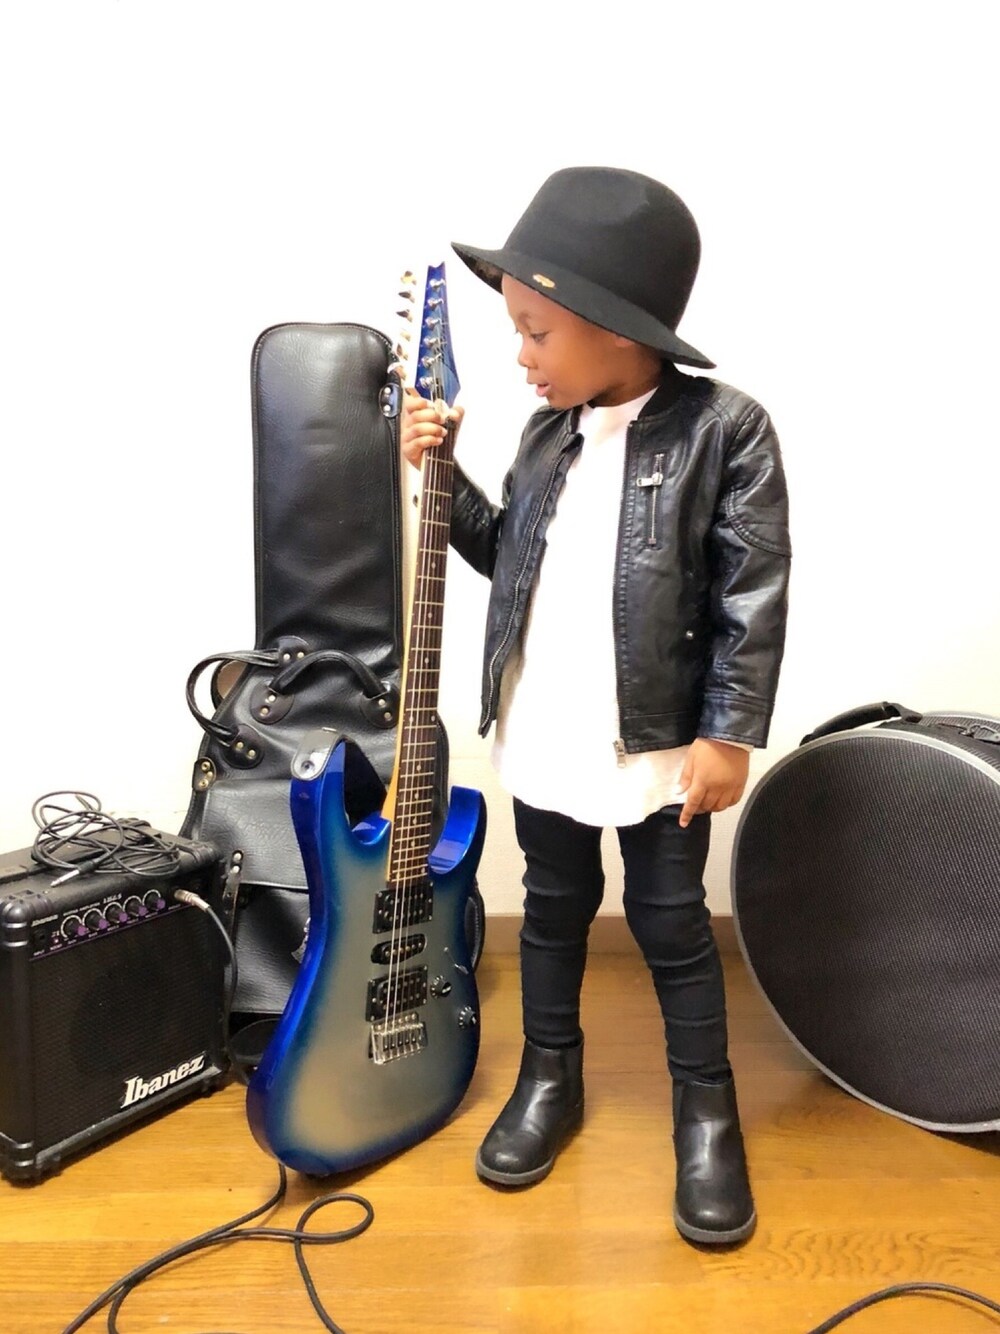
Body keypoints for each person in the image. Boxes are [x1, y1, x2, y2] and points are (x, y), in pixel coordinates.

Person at [401, 166, 791, 1246]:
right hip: (547, 724)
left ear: (615, 327)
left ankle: (705, 1110)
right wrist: (445, 476)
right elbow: (508, 554)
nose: (521, 356)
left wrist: (728, 731)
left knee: (671, 923)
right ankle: (549, 1075)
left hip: (656, 743)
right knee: (553, 906)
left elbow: (751, 593)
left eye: (535, 332)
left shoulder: (724, 430)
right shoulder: (547, 435)